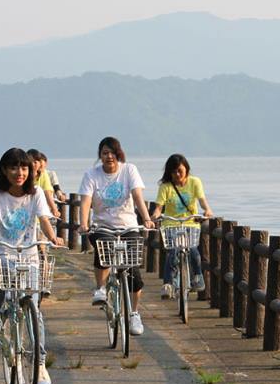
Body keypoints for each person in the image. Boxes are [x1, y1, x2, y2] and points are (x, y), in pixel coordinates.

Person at [0, 147, 65, 384]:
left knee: (34, 309)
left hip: (28, 257)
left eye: (24, 167)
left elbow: (44, 221)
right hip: (0, 254)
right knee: (2, 272)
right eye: (13, 167)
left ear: (31, 170)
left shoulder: (35, 195)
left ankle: (40, 363)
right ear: (4, 170)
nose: (19, 172)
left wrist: (53, 238)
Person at [77, 136, 154, 336]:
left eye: (112, 152)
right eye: (104, 153)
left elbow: (137, 196)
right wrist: (83, 223)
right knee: (105, 245)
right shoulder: (91, 175)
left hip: (128, 225)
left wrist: (146, 218)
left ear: (118, 154)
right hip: (103, 225)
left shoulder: (129, 170)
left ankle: (134, 313)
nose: (109, 156)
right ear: (100, 156)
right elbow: (85, 201)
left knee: (133, 270)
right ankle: (101, 288)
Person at [150, 153, 214, 298]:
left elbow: (203, 201)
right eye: (173, 172)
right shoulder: (165, 187)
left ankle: (197, 276)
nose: (177, 174)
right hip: (171, 224)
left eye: (180, 170)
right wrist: (155, 215)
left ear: (186, 169)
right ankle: (168, 284)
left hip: (191, 223)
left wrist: (207, 210)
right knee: (172, 253)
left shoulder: (195, 182)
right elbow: (159, 207)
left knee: (193, 251)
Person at [26, 148, 59, 214]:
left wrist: (54, 209)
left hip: (40, 211)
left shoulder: (43, 175)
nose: (33, 164)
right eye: (31, 161)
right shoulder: (23, 175)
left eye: (36, 162)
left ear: (39, 163)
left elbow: (47, 193)